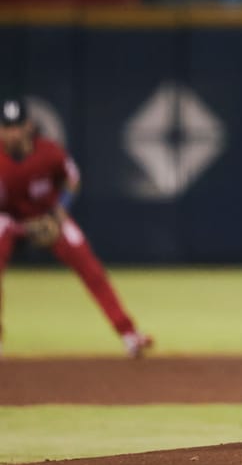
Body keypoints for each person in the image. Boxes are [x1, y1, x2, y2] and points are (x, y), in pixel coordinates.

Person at [0, 97, 153, 357]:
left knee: (90, 268)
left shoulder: (49, 153)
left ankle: (129, 334)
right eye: (6, 126)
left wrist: (59, 213)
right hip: (8, 220)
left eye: (16, 125)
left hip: (49, 218)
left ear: (28, 126)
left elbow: (72, 178)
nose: (11, 132)